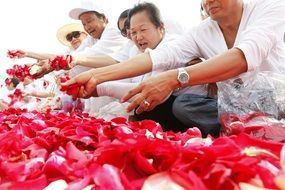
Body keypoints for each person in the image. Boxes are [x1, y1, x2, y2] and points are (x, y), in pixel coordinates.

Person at [62, 0, 285, 137]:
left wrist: (177, 77)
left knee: (178, 104)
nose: (209, 1)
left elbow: (243, 58)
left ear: (161, 27)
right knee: (182, 106)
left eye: (143, 29)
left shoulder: (269, 7)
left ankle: (258, 127)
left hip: (275, 100)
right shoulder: (202, 31)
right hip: (234, 108)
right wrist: (94, 76)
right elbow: (158, 58)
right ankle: (243, 129)